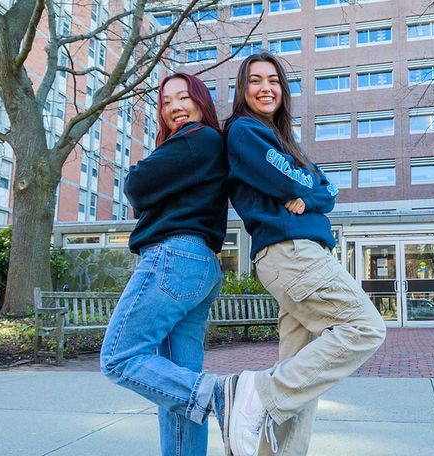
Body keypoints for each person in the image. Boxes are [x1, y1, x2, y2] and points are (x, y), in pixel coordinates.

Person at [220, 52, 387, 456]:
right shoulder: (245, 132)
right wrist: (310, 190)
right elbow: (291, 180)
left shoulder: (282, 139)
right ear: (242, 89)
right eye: (255, 81)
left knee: (303, 381)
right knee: (365, 327)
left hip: (298, 255)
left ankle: (266, 436)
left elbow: (327, 190)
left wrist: (309, 196)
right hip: (291, 253)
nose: (266, 88)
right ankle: (257, 394)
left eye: (274, 81)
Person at [100, 72, 230, 456]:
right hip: (199, 266)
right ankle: (206, 396)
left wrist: (145, 186)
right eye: (166, 101)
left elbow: (137, 185)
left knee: (119, 357)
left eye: (183, 97)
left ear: (201, 101)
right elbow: (147, 194)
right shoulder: (206, 147)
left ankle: (223, 396)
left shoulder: (198, 137)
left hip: (174, 258)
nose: (175, 107)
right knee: (180, 399)